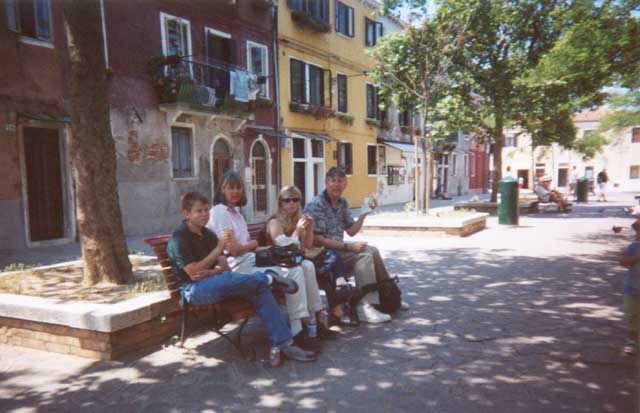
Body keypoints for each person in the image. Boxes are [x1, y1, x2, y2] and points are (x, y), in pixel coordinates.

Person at [166, 192, 317, 367]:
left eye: (206, 210)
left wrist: (210, 271)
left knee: (256, 287)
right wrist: (219, 249)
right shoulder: (179, 238)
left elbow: (223, 265)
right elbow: (193, 273)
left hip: (217, 281)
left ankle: (284, 343)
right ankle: (268, 279)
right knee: (236, 279)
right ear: (187, 214)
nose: (204, 214)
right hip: (193, 290)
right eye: (198, 211)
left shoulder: (208, 234)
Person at [207, 171, 330, 354]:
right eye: (230, 188)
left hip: (249, 259)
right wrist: (255, 243)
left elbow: (247, 248)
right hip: (236, 266)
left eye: (238, 187)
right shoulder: (218, 212)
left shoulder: (237, 215)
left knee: (306, 265)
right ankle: (298, 331)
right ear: (222, 190)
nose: (235, 192)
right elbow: (233, 250)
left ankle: (313, 321)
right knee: (293, 271)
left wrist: (267, 249)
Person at [304, 166, 410, 324]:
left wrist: (363, 215)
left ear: (345, 184)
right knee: (364, 256)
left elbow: (351, 231)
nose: (337, 185)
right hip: (323, 255)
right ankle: (364, 306)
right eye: (333, 181)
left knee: (372, 250)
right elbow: (317, 240)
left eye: (341, 181)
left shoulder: (342, 202)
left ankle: (389, 296)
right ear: (326, 182)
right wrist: (349, 247)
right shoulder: (316, 204)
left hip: (338, 250)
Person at [265, 185, 350, 329]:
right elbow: (284, 247)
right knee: (315, 268)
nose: (292, 203)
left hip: (295, 262)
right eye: (287, 200)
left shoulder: (297, 220)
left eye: (295, 199)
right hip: (278, 265)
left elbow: (306, 247)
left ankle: (316, 318)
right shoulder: (275, 222)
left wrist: (309, 228)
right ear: (281, 203)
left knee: (319, 266)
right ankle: (309, 320)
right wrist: (298, 230)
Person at [619, 219, 640, 355]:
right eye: (638, 230)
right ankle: (632, 341)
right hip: (632, 288)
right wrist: (637, 256)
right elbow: (623, 262)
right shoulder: (633, 246)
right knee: (631, 315)